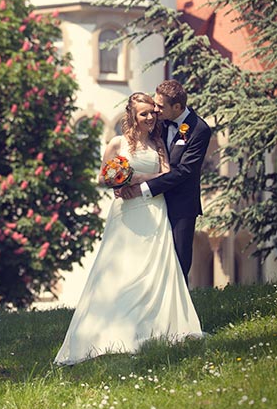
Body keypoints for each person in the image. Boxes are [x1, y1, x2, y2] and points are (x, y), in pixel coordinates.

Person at [54, 92, 202, 366]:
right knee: (120, 269)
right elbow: (103, 175)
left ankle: (154, 325)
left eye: (152, 112)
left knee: (154, 268)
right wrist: (121, 180)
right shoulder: (117, 143)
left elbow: (168, 173)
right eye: (144, 113)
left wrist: (138, 178)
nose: (150, 117)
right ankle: (110, 329)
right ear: (132, 116)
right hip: (125, 213)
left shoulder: (159, 143)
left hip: (154, 210)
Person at [119, 80, 212, 283]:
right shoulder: (158, 122)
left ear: (177, 107)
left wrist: (143, 186)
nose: (155, 110)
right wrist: (121, 180)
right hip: (153, 205)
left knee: (178, 263)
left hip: (181, 207)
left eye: (160, 106)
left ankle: (179, 313)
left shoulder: (199, 130)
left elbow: (184, 171)